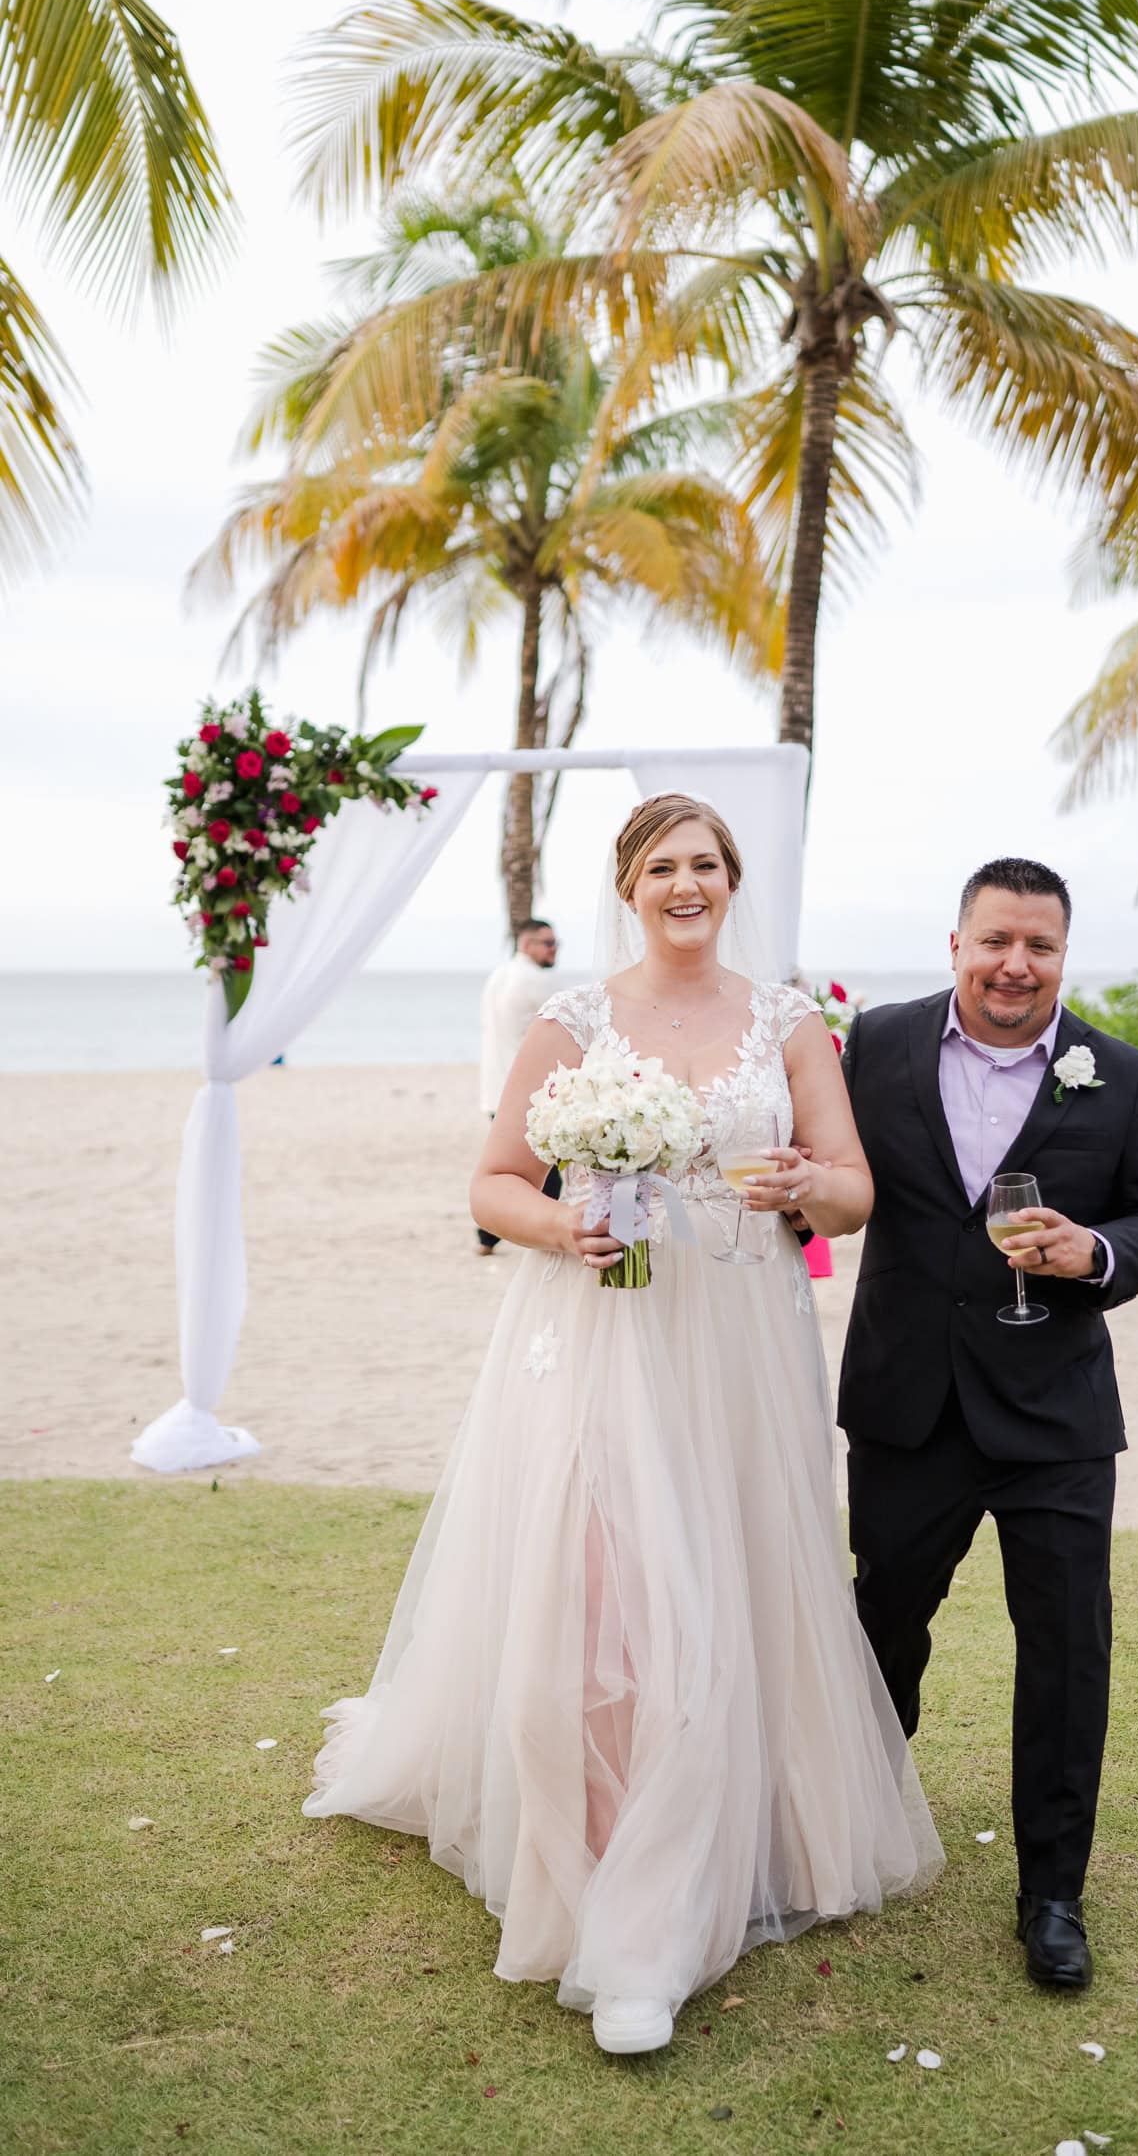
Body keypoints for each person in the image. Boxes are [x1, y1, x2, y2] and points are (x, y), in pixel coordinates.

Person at [304, 795, 941, 2054]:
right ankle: (616, 1899)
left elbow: (855, 1190)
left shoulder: (789, 1021)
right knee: (606, 1605)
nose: (687, 884)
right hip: (598, 1340)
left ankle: (711, 1858)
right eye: (665, 866)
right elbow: (493, 1183)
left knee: (726, 1587)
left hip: (744, 1345)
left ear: (733, 881)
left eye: (707, 864)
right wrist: (563, 1225)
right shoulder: (573, 1021)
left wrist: (814, 1187)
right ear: (628, 884)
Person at [838, 856, 1138, 1993]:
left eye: (1039, 945)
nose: (1015, 964)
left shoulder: (1120, 1075)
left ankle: (1053, 1896)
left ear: (1062, 956)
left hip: (1056, 1417)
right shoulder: (875, 1046)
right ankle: (852, 1831)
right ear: (955, 945)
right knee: (879, 1624)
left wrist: (1093, 1252)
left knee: (1066, 1655)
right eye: (996, 940)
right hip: (907, 1402)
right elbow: (827, 1172)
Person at [475, 918, 558, 1253]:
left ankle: (485, 1239)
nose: (554, 950)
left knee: (506, 1168)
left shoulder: (498, 976)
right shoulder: (537, 980)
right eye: (548, 943)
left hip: (495, 1088)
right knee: (546, 1171)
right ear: (527, 945)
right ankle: (546, 1239)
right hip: (527, 1092)